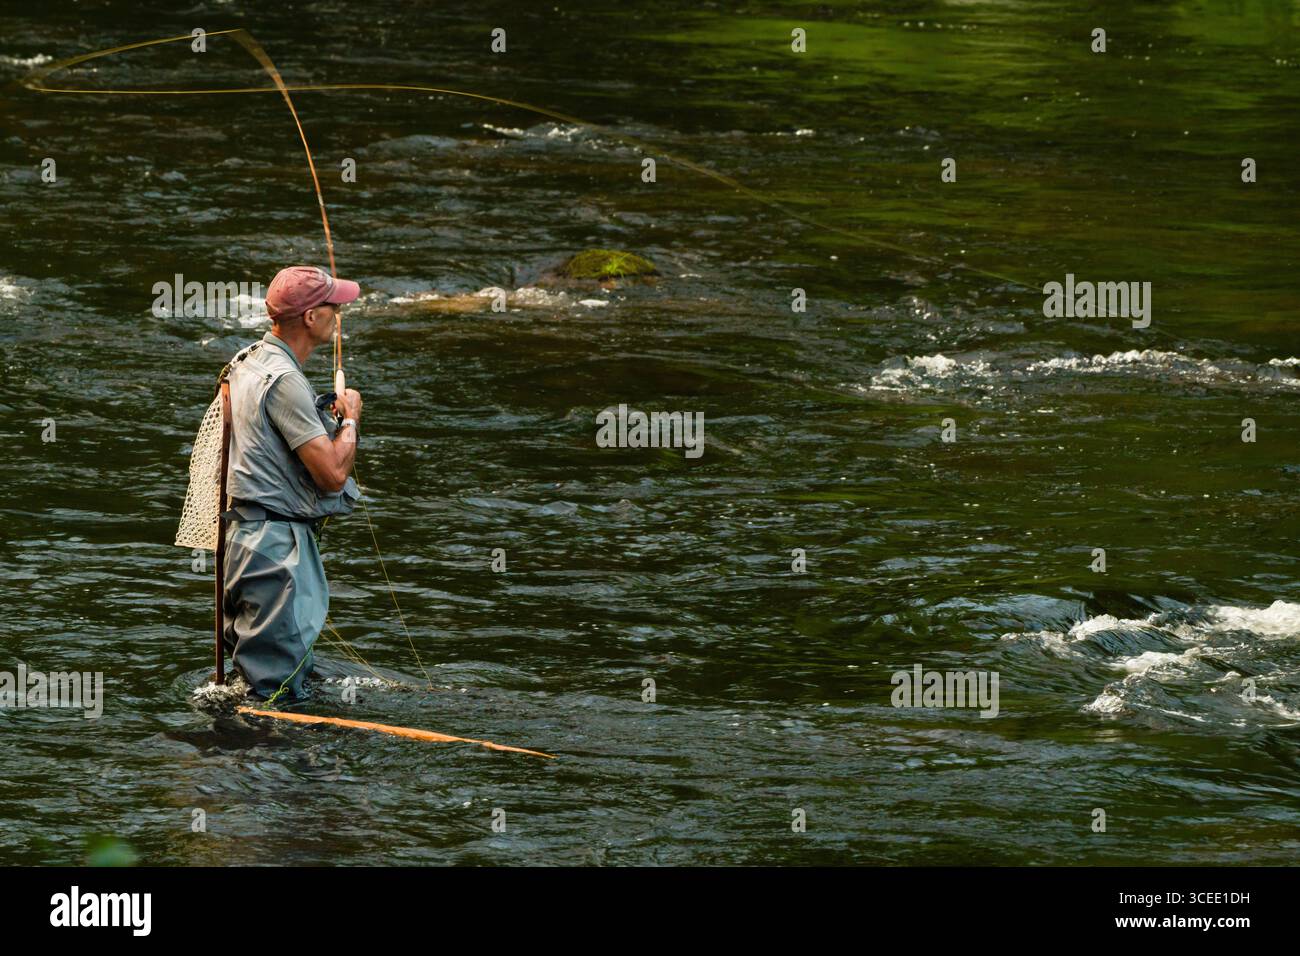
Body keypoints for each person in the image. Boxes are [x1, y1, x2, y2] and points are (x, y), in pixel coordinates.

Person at [220, 265, 364, 701]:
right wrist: (351, 420)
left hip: (242, 543)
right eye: (332, 306)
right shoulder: (285, 382)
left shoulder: (244, 362)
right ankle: (259, 767)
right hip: (277, 554)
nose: (339, 312)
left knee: (271, 682)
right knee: (274, 697)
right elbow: (333, 476)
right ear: (309, 318)